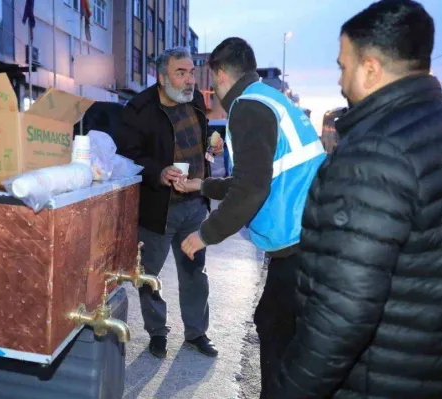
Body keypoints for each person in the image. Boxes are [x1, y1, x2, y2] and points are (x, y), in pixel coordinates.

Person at [276, 1, 442, 398]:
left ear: (370, 68)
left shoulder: (374, 153)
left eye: (343, 65)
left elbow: (341, 315)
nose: (340, 80)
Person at [173, 37, 326, 397]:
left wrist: (205, 234)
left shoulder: (248, 107)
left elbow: (251, 189)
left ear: (222, 75)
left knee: (275, 327)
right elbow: (253, 179)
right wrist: (202, 185)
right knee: (283, 327)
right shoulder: (269, 98)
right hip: (313, 232)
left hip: (301, 242)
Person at [115, 47, 222, 359]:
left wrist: (210, 151)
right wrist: (157, 172)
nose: (190, 80)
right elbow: (126, 155)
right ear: (162, 77)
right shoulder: (138, 109)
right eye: (181, 73)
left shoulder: (197, 102)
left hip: (193, 206)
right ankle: (157, 333)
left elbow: (199, 142)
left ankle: (196, 333)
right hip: (157, 209)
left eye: (191, 72)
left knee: (194, 273)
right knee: (149, 276)